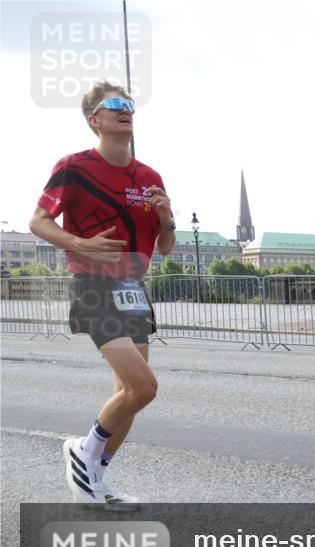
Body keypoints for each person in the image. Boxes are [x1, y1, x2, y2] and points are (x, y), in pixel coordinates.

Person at [29, 80, 175, 511]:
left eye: (130, 104)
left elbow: (164, 247)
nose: (126, 110)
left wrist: (167, 218)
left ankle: (96, 476)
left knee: (127, 396)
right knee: (143, 387)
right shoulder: (73, 167)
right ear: (94, 119)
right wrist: (79, 243)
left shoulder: (149, 177)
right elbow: (38, 221)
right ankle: (84, 451)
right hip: (94, 286)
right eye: (116, 105)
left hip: (134, 290)